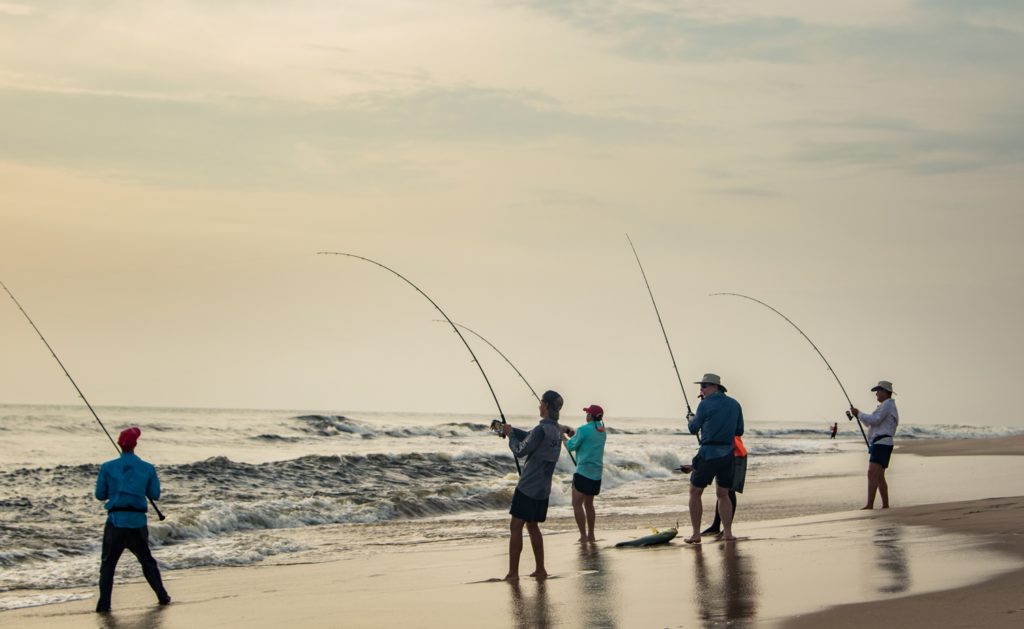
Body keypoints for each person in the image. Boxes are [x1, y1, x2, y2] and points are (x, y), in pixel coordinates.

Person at [94, 426, 170, 613]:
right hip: (137, 523)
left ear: (119, 444)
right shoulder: (147, 468)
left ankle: (104, 604)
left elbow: (100, 495)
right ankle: (162, 596)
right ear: (135, 445)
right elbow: (155, 494)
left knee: (108, 565)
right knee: (147, 561)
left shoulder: (108, 467)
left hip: (116, 522)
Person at [501, 390, 566, 580]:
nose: (539, 405)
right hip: (543, 489)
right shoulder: (556, 430)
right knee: (533, 526)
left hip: (528, 486)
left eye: (540, 403)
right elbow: (531, 438)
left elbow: (520, 450)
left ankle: (513, 573)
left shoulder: (541, 429)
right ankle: (540, 569)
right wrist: (512, 431)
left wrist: (511, 437)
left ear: (545, 405)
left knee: (516, 527)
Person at [685, 373, 744, 544]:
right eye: (701, 386)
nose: (701, 389)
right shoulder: (735, 404)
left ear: (715, 387)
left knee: (695, 492)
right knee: (723, 494)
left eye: (704, 386)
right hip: (728, 455)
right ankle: (728, 533)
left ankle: (696, 534)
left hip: (708, 454)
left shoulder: (704, 404)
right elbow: (739, 430)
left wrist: (691, 418)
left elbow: (693, 428)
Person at [850, 380, 899, 510]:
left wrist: (859, 413)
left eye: (878, 391)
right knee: (879, 476)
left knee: (872, 473)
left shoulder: (887, 405)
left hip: (882, 444)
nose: (876, 393)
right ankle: (885, 505)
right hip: (881, 443)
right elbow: (870, 422)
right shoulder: (885, 406)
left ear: (885, 392)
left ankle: (870, 505)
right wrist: (858, 415)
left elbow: (874, 420)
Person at [563, 403, 607, 542]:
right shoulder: (602, 431)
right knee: (589, 504)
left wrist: (563, 437)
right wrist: (573, 434)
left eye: (587, 413)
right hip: (596, 474)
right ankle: (591, 535)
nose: (586, 415)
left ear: (590, 416)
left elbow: (571, 446)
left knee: (577, 504)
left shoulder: (583, 429)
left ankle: (583, 536)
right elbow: (587, 438)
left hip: (583, 472)